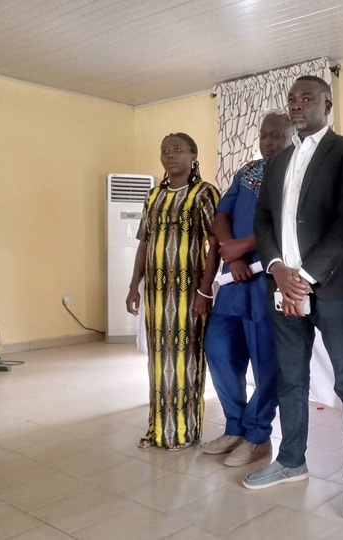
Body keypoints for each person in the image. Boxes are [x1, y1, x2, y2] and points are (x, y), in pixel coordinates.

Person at [247, 75, 343, 521]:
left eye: (307, 98)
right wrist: (277, 269)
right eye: (292, 99)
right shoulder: (278, 160)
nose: (297, 105)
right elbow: (264, 221)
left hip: (333, 287)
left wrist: (303, 276)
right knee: (291, 378)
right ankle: (291, 460)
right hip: (282, 288)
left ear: (328, 105)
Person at [199, 111, 293, 466]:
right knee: (219, 350)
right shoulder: (248, 171)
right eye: (265, 135)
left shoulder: (297, 172)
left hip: (268, 280)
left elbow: (294, 225)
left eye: (277, 135)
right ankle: (235, 426)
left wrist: (245, 247)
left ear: (292, 136)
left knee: (267, 363)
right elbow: (221, 214)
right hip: (233, 280)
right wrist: (231, 250)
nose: (269, 142)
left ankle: (257, 435)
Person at [126, 132, 221, 451]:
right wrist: (133, 285)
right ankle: (158, 429)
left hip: (189, 294)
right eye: (165, 150)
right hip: (156, 294)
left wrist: (205, 291)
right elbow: (144, 243)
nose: (169, 155)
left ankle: (184, 431)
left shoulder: (204, 193)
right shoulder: (153, 196)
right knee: (158, 363)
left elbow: (215, 243)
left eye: (177, 149)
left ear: (193, 155)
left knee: (185, 360)